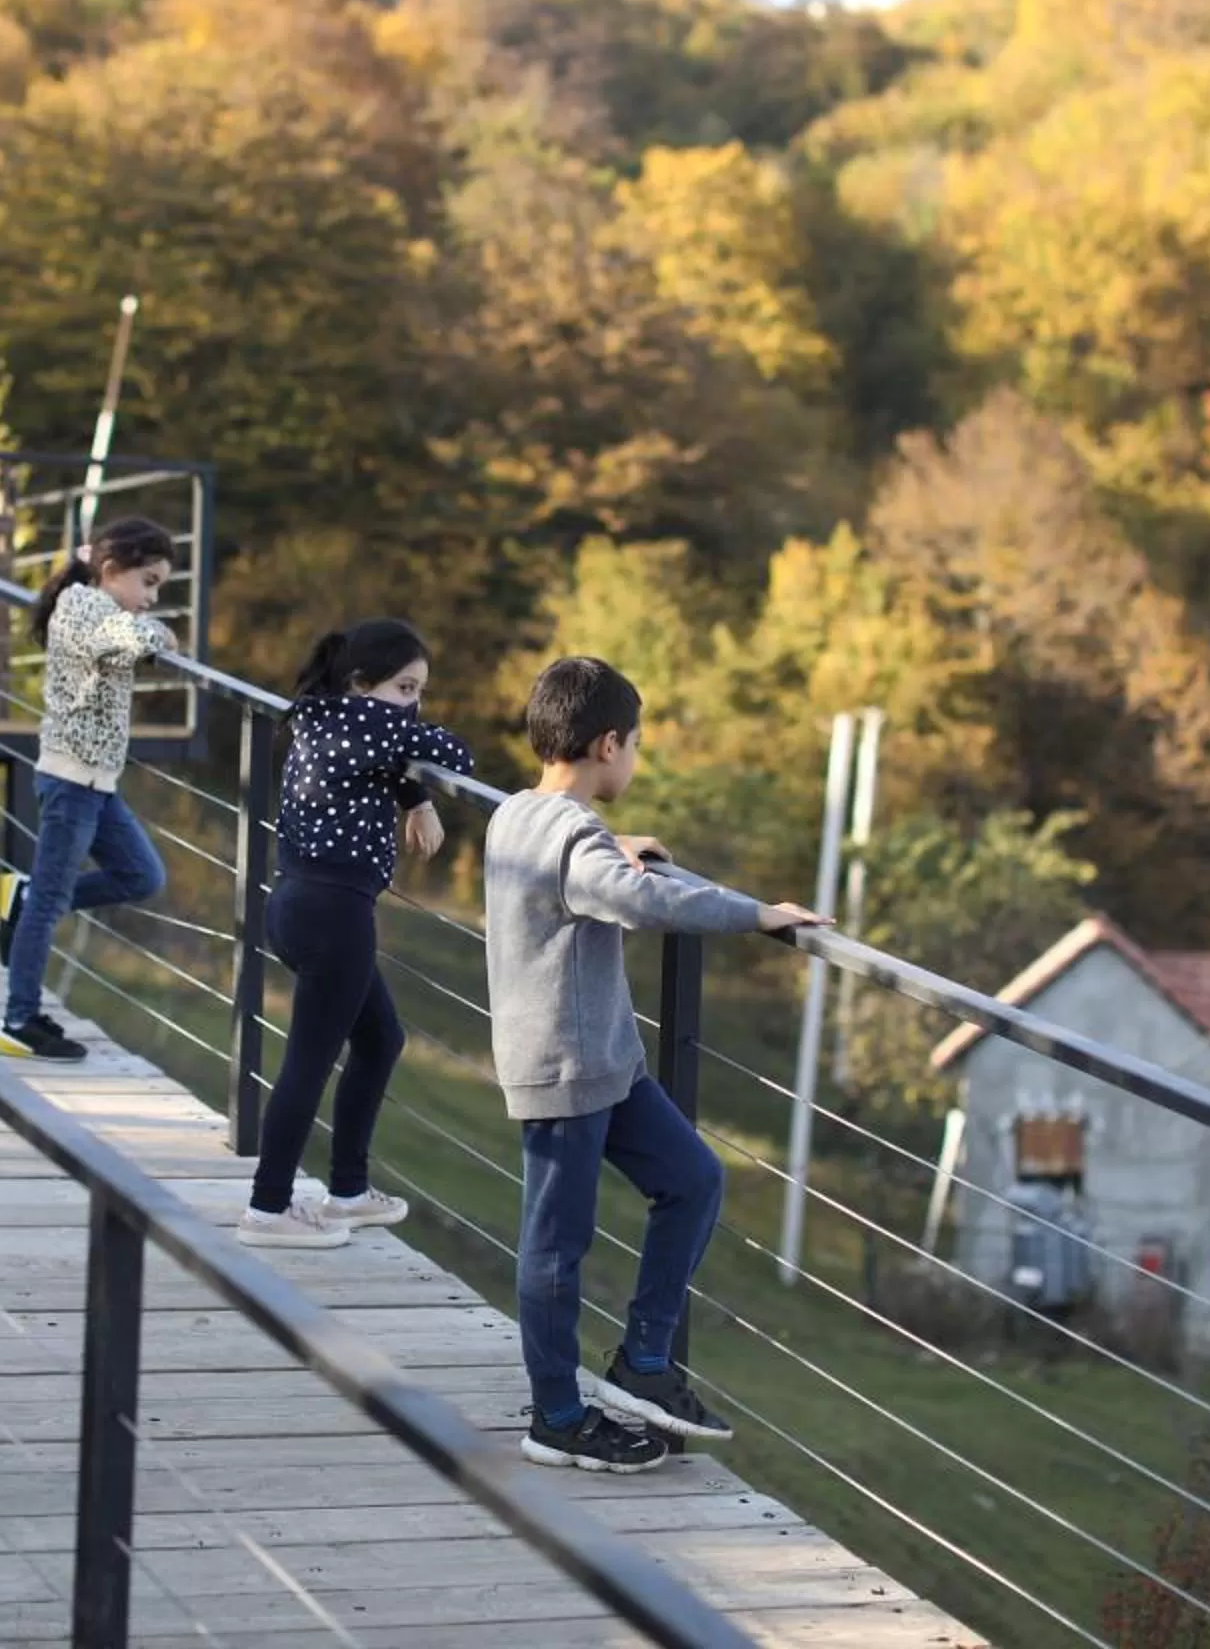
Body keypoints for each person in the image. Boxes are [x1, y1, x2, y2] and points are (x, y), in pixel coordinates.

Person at [484, 655, 826, 1474]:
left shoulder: (517, 813)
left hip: (609, 1061)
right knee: (556, 1247)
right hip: (564, 1070)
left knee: (694, 1179)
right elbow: (640, 897)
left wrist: (612, 841)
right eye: (635, 745)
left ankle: (642, 1361)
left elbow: (577, 862)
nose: (634, 759)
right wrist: (758, 914)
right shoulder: (572, 839)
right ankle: (556, 1418)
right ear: (609, 745)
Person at [238, 620, 474, 1250]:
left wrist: (413, 796)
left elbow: (378, 761)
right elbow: (457, 754)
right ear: (361, 683)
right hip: (335, 916)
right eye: (405, 688)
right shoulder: (375, 721)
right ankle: (267, 1209)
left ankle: (348, 1190)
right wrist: (417, 774)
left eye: (419, 691)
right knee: (308, 1063)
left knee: (379, 1038)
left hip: (296, 901)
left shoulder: (317, 717)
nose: (413, 704)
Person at [0, 517, 180, 1062]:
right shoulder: (85, 608)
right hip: (70, 781)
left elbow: (126, 638)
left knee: (141, 875)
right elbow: (128, 640)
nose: (152, 597)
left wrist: (149, 627)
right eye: (148, 582)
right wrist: (161, 634)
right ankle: (18, 1020)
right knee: (49, 905)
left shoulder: (101, 605)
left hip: (96, 783)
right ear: (111, 570)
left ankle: (27, 898)